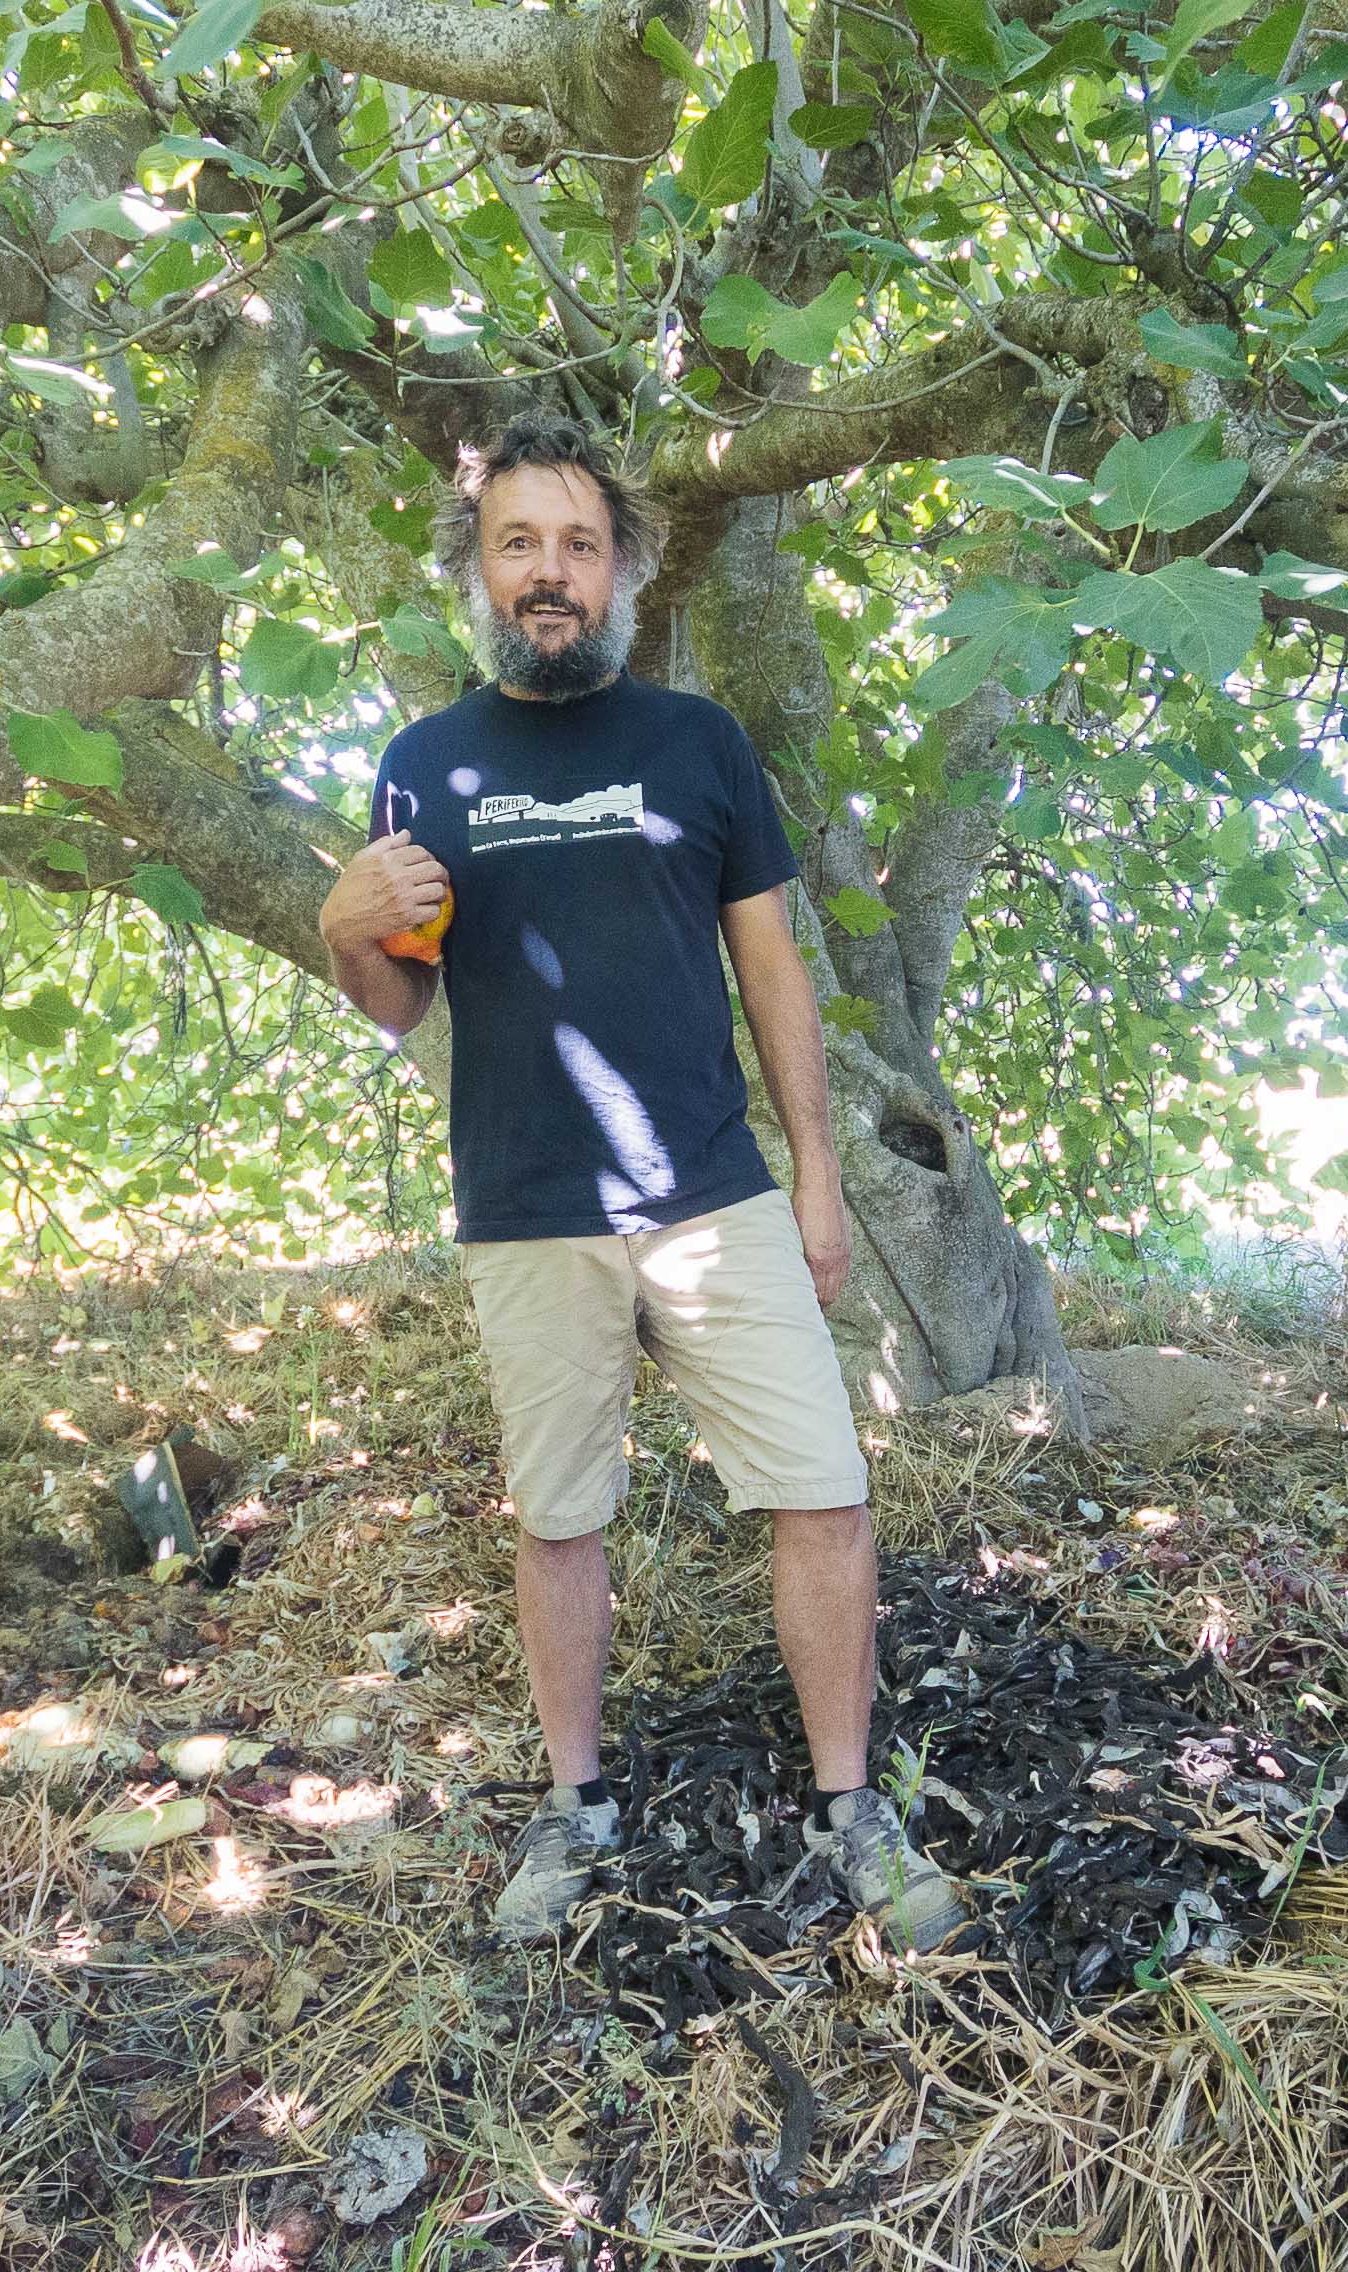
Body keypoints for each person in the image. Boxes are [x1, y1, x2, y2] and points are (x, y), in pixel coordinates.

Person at [315, 413, 967, 1954]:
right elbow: (401, 1001)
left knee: (824, 1486)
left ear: (624, 572)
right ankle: (574, 1802)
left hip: (713, 1196)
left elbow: (777, 975)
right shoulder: (425, 765)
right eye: (519, 543)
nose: (551, 573)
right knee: (559, 1520)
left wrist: (817, 1180)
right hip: (528, 1205)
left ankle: (847, 1800)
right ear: (477, 575)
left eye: (580, 544)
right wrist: (346, 928)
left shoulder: (700, 744)